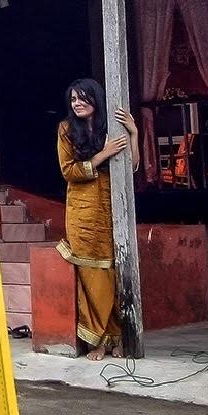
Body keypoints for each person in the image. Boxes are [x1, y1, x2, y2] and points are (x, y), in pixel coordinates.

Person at [56, 78, 139, 361]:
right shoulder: (66, 129)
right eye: (73, 100)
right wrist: (103, 154)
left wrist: (134, 133)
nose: (77, 104)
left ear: (95, 99)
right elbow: (69, 171)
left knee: (114, 273)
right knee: (93, 275)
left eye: (82, 98)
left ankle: (117, 338)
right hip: (83, 212)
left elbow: (131, 166)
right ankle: (98, 341)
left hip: (112, 207)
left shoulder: (111, 127)